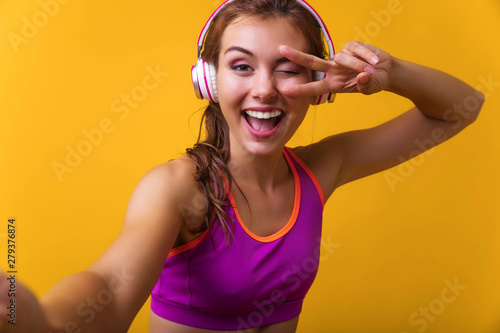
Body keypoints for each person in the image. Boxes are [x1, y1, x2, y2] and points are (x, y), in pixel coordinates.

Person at [0, 0, 484, 332]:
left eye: (288, 68)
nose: (265, 89)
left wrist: (390, 72)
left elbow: (463, 106)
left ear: (321, 83)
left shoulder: (321, 169)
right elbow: (107, 286)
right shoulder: (177, 188)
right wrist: (38, 320)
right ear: (208, 81)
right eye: (241, 65)